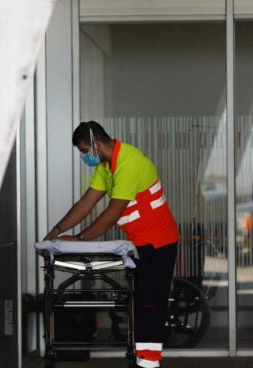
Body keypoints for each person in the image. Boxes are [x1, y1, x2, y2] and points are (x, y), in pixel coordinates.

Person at [44, 120, 178, 368]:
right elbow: (86, 204)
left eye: (84, 151)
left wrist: (79, 238)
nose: (84, 156)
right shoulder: (106, 166)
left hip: (159, 242)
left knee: (150, 303)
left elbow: (112, 214)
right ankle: (142, 359)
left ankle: (149, 363)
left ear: (96, 144)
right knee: (139, 303)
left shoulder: (129, 162)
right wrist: (57, 230)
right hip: (139, 242)